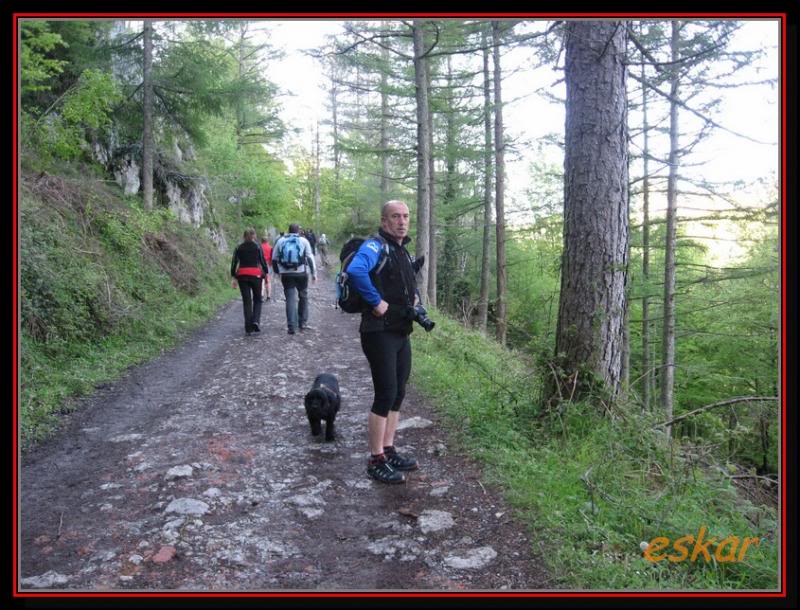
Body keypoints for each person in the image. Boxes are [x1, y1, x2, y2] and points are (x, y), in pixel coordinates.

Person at [346, 201, 420, 484]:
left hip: (401, 331)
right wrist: (376, 302)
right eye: (395, 217)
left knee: (398, 391)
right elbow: (356, 271)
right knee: (385, 393)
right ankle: (375, 459)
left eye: (405, 216)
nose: (402, 222)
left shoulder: (400, 249)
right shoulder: (375, 246)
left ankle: (388, 450)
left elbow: (406, 284)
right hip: (378, 332)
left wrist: (416, 302)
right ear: (384, 221)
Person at [272, 223, 317, 335]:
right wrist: (314, 273)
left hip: (286, 275)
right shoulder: (304, 241)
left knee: (290, 299)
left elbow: (274, 258)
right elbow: (310, 257)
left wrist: (277, 272)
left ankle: (291, 326)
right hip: (301, 273)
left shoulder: (281, 241)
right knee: (303, 296)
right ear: (298, 231)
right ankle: (302, 323)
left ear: (288, 230)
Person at [231, 228, 269, 335]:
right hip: (255, 275)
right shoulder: (257, 246)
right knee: (258, 299)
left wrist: (234, 275)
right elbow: (262, 261)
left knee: (247, 301)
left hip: (242, 275)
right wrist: (265, 272)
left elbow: (234, 262)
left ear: (244, 236)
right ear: (254, 236)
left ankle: (248, 327)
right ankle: (255, 321)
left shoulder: (238, 247)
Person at [260, 236, 273, 302]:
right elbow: (272, 257)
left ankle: (261, 295)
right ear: (268, 241)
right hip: (268, 265)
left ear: (261, 241)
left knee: (261, 280)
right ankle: (268, 296)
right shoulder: (270, 248)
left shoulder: (259, 247)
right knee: (268, 280)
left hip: (260, 265)